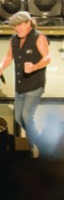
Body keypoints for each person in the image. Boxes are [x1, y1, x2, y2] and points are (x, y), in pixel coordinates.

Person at [0, 11, 51, 155]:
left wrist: (34, 67)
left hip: (35, 85)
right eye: (15, 26)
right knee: (18, 117)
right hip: (20, 86)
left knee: (27, 116)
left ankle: (35, 147)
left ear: (29, 23)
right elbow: (9, 56)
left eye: (20, 25)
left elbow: (47, 58)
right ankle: (40, 142)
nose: (17, 28)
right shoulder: (14, 39)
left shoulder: (39, 37)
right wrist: (1, 66)